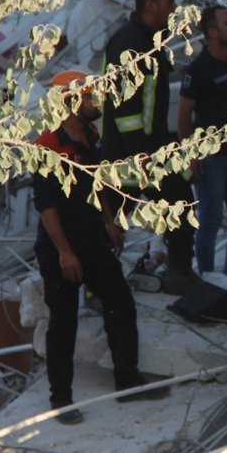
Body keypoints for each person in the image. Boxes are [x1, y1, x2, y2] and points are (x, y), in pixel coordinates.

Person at [33, 71, 169, 425]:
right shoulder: (48, 144)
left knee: (120, 305)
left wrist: (110, 221)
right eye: (92, 98)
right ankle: (61, 400)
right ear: (71, 100)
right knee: (62, 325)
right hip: (62, 248)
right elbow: (46, 206)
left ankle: (127, 381)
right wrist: (64, 252)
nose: (98, 103)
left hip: (93, 241)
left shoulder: (90, 135)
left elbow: (96, 183)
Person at [102, 0, 199, 294]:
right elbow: (125, 107)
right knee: (111, 223)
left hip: (151, 146)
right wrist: (137, 155)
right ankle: (96, 288)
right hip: (128, 152)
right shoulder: (128, 43)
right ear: (150, 5)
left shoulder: (150, 42)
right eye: (169, 1)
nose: (174, 7)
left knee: (181, 203)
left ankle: (180, 273)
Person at [177, 6, 227, 276]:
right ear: (212, 32)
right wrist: (191, 155)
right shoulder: (198, 70)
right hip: (211, 159)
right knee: (210, 223)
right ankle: (208, 279)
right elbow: (183, 115)